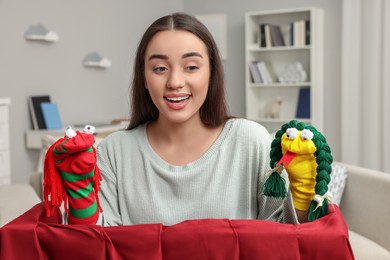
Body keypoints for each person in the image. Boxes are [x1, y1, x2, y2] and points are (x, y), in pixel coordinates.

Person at [70, 12, 300, 226]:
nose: (175, 81)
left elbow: (283, 236)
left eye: (191, 67)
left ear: (212, 73)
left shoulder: (250, 140)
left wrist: (303, 196)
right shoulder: (114, 152)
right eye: (160, 68)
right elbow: (99, 244)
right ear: (144, 77)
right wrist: (77, 199)